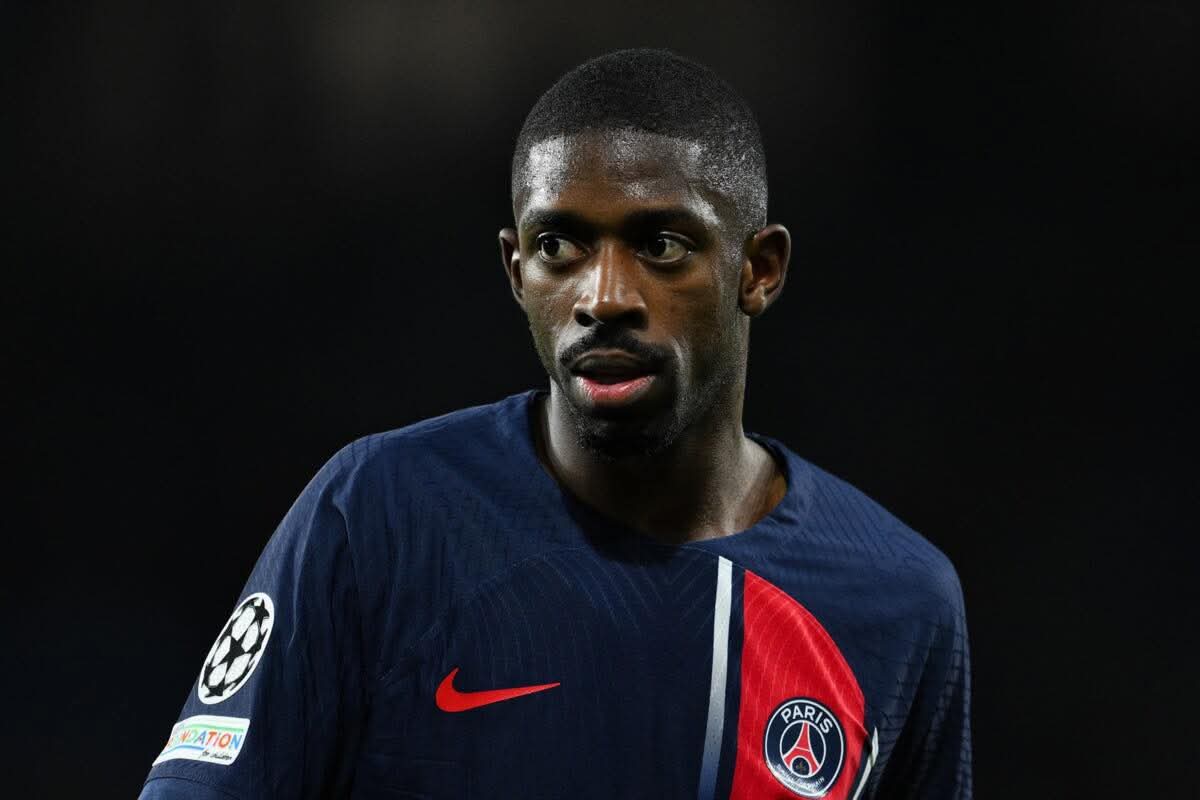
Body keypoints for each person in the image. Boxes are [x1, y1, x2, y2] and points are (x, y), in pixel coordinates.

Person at [139, 48, 971, 799]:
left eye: (662, 244)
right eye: (559, 247)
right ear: (515, 271)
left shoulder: (897, 598)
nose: (603, 296)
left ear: (760, 269)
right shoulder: (379, 516)